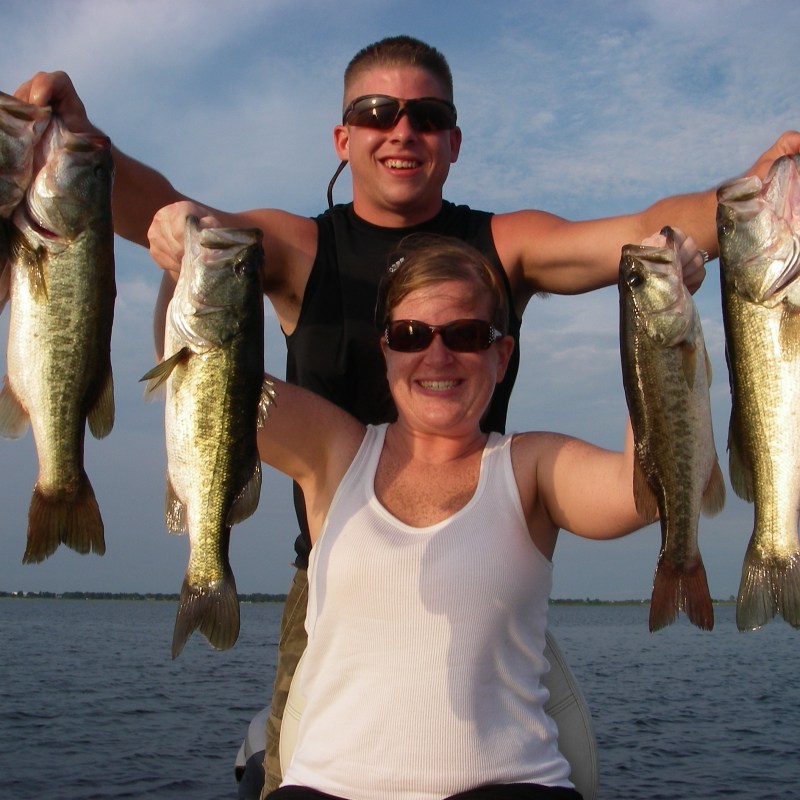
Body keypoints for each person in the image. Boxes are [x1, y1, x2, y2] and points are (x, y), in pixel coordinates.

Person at [13, 35, 800, 795]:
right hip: (332, 570)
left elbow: (642, 235)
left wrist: (759, 186)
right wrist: (80, 143)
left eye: (426, 117)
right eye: (378, 112)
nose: (402, 131)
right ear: (342, 134)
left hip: (488, 554)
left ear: (454, 140)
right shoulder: (294, 246)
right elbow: (174, 220)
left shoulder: (505, 243)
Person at [248, 232, 666, 800]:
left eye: (466, 335)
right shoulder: (334, 452)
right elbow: (197, 378)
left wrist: (655, 320)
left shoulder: (531, 468)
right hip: (328, 788)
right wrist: (180, 272)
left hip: (509, 786)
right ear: (386, 349)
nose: (437, 356)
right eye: (410, 335)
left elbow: (641, 489)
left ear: (501, 355)